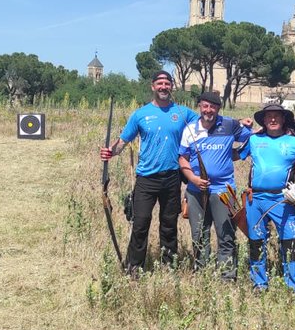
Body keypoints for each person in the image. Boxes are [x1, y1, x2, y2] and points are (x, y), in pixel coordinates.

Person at [100, 70, 198, 276]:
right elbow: (122, 143)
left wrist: (237, 124)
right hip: (146, 179)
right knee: (141, 223)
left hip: (172, 177)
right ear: (152, 86)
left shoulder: (182, 113)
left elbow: (208, 122)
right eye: (159, 83)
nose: (164, 87)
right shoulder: (140, 114)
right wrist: (110, 151)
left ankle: (169, 266)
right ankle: (134, 268)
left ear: (172, 87)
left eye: (167, 83)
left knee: (169, 225)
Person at [237, 104, 295, 293]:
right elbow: (234, 155)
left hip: (284, 200)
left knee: (290, 243)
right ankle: (259, 284)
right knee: (256, 242)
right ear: (263, 121)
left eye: (276, 116)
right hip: (255, 199)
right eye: (269, 117)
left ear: (283, 119)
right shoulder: (254, 139)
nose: (272, 120)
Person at [177, 90, 251, 281]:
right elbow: (183, 158)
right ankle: (202, 276)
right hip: (195, 192)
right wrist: (192, 179)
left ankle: (227, 278)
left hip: (227, 191)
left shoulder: (230, 125)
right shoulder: (190, 129)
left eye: (212, 106)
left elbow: (252, 140)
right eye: (204, 106)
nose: (208, 110)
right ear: (200, 107)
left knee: (227, 235)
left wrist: (238, 154)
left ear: (218, 108)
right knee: (199, 235)